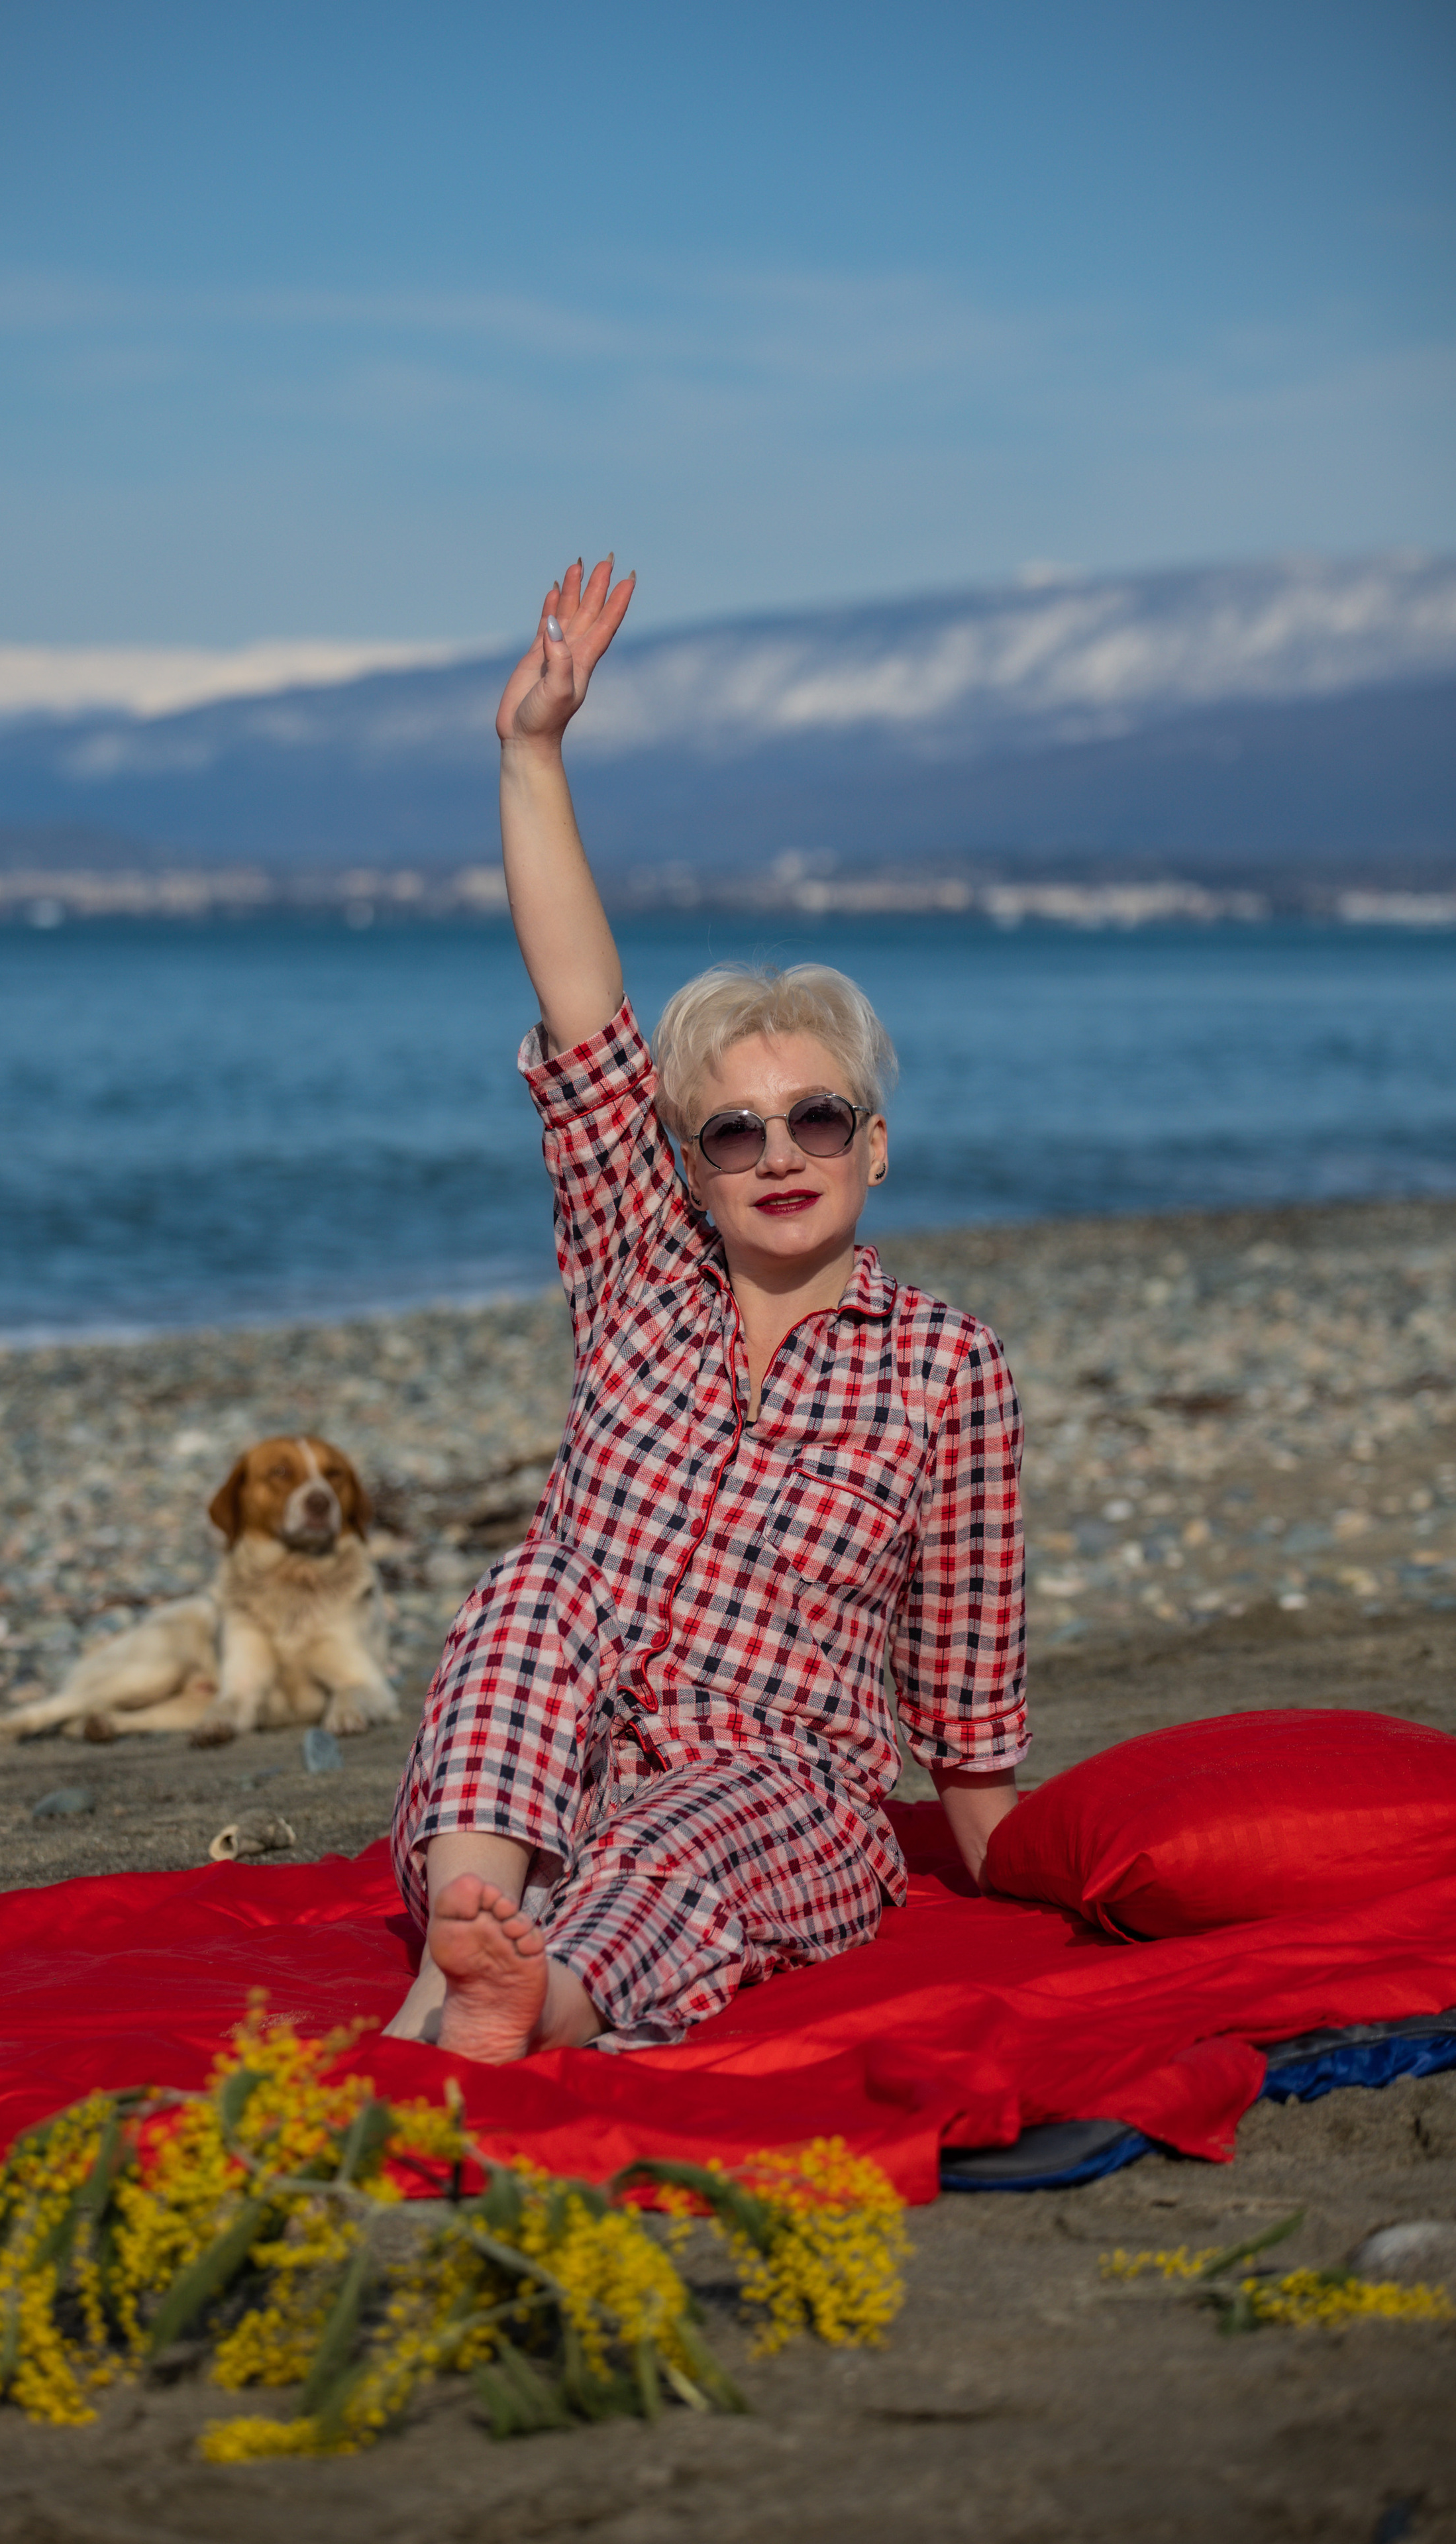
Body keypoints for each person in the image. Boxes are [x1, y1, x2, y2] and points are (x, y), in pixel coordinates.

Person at [385, 555, 1027, 2064]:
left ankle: (517, 2003)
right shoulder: (637, 1270)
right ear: (689, 1161)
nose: (779, 1155)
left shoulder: (947, 1371)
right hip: (561, 1760)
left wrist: (1034, 1864)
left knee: (696, 1835)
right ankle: (462, 1928)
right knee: (527, 1598)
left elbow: (964, 1706)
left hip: (777, 1792)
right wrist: (529, 750)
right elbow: (579, 1005)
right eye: (734, 1131)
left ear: (871, 1141)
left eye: (816, 1118)